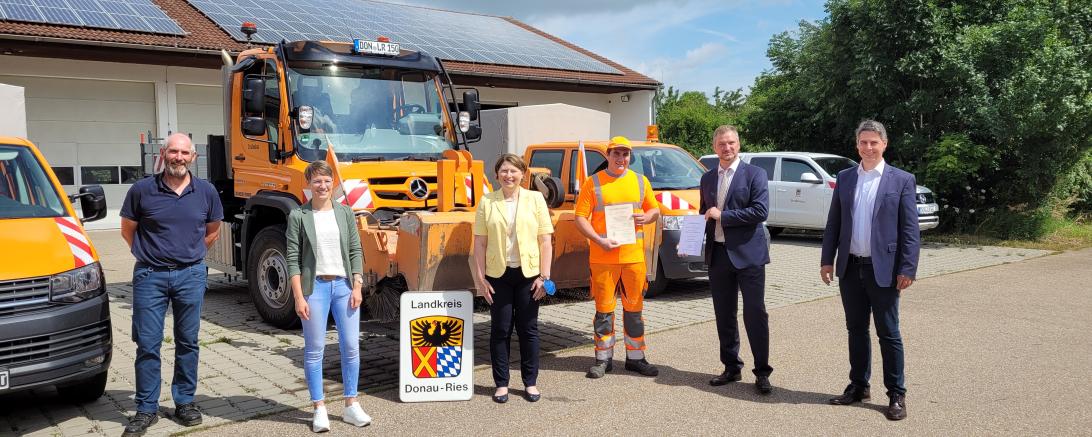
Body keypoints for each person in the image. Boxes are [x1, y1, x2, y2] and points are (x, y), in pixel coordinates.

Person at [120, 133, 223, 437]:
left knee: (188, 341)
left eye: (184, 153)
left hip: (190, 275)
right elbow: (128, 230)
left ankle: (185, 402)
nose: (179, 157)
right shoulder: (142, 190)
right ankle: (146, 408)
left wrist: (191, 255)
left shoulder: (206, 191)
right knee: (148, 343)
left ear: (193, 157)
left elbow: (212, 230)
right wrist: (147, 255)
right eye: (173, 151)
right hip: (150, 276)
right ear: (163, 154)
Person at [820, 119, 920, 420]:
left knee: (888, 333)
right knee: (855, 329)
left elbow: (910, 230)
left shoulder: (901, 180)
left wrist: (907, 268)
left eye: (874, 142)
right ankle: (859, 386)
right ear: (857, 145)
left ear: (884, 144)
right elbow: (834, 222)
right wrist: (827, 259)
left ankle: (896, 394)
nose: (868, 147)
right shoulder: (846, 177)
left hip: (884, 270)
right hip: (850, 267)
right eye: (863, 142)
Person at [286, 161, 371, 432]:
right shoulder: (298, 215)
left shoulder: (345, 213)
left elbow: (356, 250)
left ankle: (351, 404)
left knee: (351, 346)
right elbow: (292, 259)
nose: (322, 186)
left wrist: (357, 285)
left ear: (333, 183)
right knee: (315, 350)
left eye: (326, 181)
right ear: (308, 184)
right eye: (317, 181)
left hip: (344, 287)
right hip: (315, 289)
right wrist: (298, 297)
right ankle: (319, 408)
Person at [574, 136, 661, 379]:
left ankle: (636, 358)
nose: (621, 158)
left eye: (625, 154)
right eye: (616, 154)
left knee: (634, 311)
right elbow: (580, 217)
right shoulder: (593, 183)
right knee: (604, 312)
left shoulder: (640, 181)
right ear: (608, 155)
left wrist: (648, 217)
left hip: (633, 258)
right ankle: (603, 359)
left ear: (629, 157)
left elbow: (654, 209)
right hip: (603, 258)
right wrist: (599, 239)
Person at [472, 153, 555, 403]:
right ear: (497, 175)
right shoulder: (487, 201)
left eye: (514, 171)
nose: (509, 175)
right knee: (500, 329)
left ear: (523, 174)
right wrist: (480, 278)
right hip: (498, 275)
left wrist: (544, 276)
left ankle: (530, 382)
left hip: (529, 275)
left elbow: (545, 241)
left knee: (528, 330)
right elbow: (480, 243)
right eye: (504, 171)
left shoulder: (535, 199)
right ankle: (501, 384)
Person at [698, 125, 774, 394]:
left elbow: (760, 211)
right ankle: (731, 367)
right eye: (721, 144)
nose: (726, 148)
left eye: (731, 143)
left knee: (755, 313)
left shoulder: (755, 174)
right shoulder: (707, 178)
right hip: (718, 255)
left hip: (749, 256)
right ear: (714, 147)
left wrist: (724, 216)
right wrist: (692, 236)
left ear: (738, 145)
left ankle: (762, 372)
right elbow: (705, 212)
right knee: (724, 314)